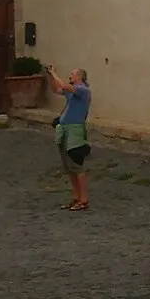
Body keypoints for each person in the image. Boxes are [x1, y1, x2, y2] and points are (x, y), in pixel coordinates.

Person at [47, 65, 92, 210]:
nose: (70, 75)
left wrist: (54, 73)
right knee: (69, 167)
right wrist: (50, 76)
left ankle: (83, 199)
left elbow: (64, 85)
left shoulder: (82, 90)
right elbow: (56, 89)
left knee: (77, 165)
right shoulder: (72, 92)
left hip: (75, 132)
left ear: (79, 76)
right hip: (65, 130)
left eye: (73, 74)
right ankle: (76, 196)